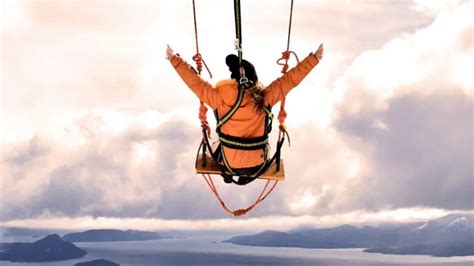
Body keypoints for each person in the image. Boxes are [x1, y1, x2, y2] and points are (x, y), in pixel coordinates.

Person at [166, 44, 324, 178]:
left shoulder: (220, 98)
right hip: (258, 164)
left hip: (228, 163)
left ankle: (226, 173)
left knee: (217, 144)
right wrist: (314, 59)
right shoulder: (265, 98)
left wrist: (174, 59)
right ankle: (235, 169)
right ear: (254, 80)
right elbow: (289, 80)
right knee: (261, 145)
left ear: (233, 80)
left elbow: (195, 83)